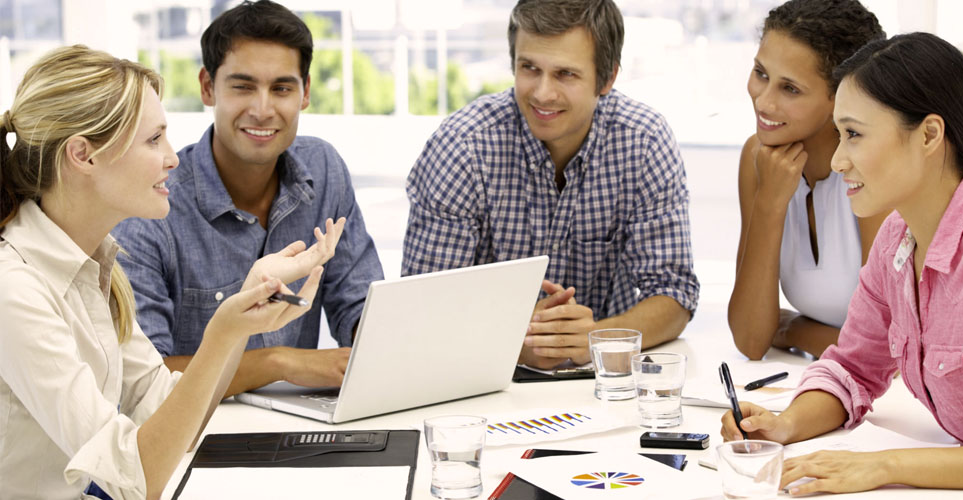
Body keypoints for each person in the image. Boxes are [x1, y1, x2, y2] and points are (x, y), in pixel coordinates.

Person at [0, 45, 338, 499]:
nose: (173, 158)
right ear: (83, 155)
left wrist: (245, 311)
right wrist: (221, 332)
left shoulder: (96, 266)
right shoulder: (14, 288)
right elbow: (134, 478)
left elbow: (174, 417)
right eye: (153, 139)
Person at [721, 32, 963, 494]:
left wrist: (885, 465)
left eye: (853, 135)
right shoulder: (898, 238)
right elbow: (852, 368)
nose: (836, 160)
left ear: (929, 134)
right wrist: (784, 425)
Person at [402, 0, 699, 370]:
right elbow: (421, 309)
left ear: (607, 79)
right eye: (530, 68)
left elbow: (674, 294)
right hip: (477, 378)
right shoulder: (462, 146)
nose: (542, 93)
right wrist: (514, 343)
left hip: (605, 379)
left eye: (565, 74)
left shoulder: (644, 141)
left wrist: (594, 340)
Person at [112, 0, 383, 397]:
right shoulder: (152, 205)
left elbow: (359, 303)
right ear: (208, 87)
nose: (262, 109)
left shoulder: (323, 169)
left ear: (305, 93)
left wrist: (377, 344)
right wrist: (279, 363)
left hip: (301, 425)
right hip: (193, 436)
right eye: (242, 86)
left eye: (281, 88)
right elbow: (144, 380)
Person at [728, 0, 887, 360]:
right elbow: (752, 340)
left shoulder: (875, 169)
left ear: (841, 96)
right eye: (761, 73)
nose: (763, 102)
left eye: (791, 89)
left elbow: (886, 351)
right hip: (823, 380)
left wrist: (793, 329)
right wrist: (769, 203)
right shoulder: (758, 159)